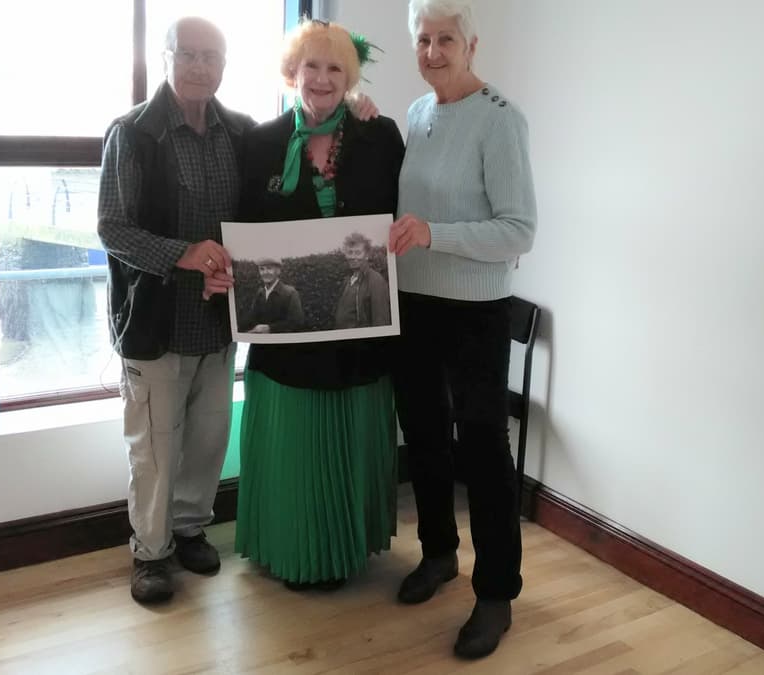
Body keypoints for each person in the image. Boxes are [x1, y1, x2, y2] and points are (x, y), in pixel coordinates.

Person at [230, 19, 405, 591]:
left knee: (351, 437)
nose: (323, 78)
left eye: (336, 68)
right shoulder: (260, 142)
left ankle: (349, 547)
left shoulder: (380, 137)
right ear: (292, 73)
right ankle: (296, 550)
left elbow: (398, 222)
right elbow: (242, 233)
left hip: (359, 333)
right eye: (312, 66)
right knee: (296, 448)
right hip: (290, 341)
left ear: (350, 79)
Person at [388, 0, 537, 660]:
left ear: (471, 44)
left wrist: (434, 233)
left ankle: (497, 592)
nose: (432, 50)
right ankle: (440, 553)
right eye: (423, 38)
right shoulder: (418, 115)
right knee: (422, 434)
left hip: (478, 310)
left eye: (445, 37)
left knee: (482, 448)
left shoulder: (502, 120)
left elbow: (519, 229)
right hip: (413, 304)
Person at [97, 17, 248, 605]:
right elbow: (112, 228)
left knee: (209, 437)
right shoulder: (132, 134)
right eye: (187, 54)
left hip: (217, 321)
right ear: (165, 58)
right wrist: (181, 254)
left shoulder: (238, 132)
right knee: (156, 448)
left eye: (212, 55)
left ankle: (189, 529)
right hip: (155, 322)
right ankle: (150, 552)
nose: (200, 66)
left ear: (224, 64)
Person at [333, 232, 391, 329]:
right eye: (350, 252)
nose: (353, 257)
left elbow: (381, 323)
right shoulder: (347, 280)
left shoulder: (376, 281)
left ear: (367, 255)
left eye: (358, 252)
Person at [239, 258, 305, 333]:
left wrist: (270, 328)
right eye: (262, 269)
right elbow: (253, 317)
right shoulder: (260, 292)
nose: (265, 272)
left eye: (269, 268)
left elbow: (297, 322)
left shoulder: (290, 293)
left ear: (278, 271)